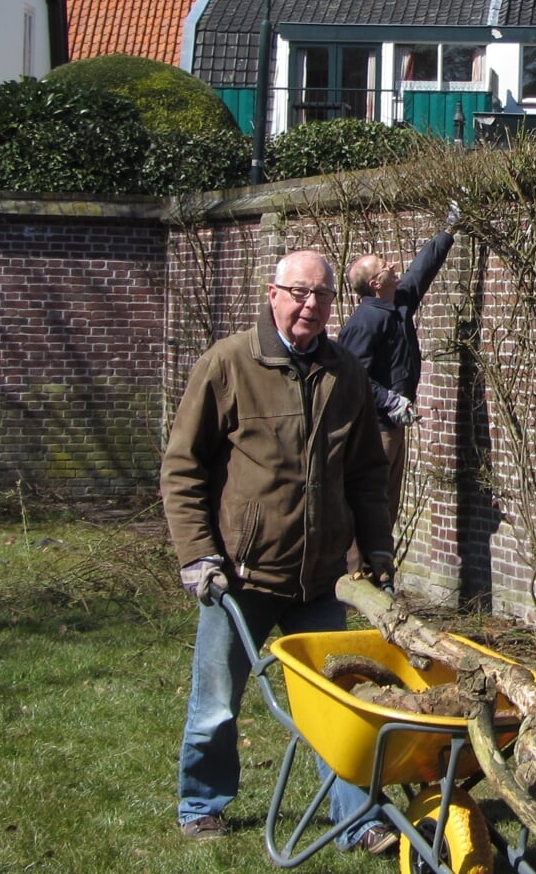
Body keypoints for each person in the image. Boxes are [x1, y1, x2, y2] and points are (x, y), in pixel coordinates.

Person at [161, 249, 399, 850]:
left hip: (319, 578)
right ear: (273, 293)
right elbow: (183, 468)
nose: (310, 306)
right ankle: (202, 803)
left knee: (339, 708)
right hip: (239, 575)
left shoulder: (345, 372)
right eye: (299, 293)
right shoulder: (228, 363)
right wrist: (197, 555)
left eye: (321, 296)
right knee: (217, 701)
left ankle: (357, 820)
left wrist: (375, 554)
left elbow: (368, 474)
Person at [336, 200, 459, 526]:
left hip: (393, 425)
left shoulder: (398, 304)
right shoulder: (365, 322)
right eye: (383, 266)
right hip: (375, 429)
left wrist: (447, 232)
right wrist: (388, 400)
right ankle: (357, 572)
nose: (392, 264)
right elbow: (351, 376)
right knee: (369, 501)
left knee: (388, 502)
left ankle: (379, 568)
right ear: (375, 284)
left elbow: (421, 270)